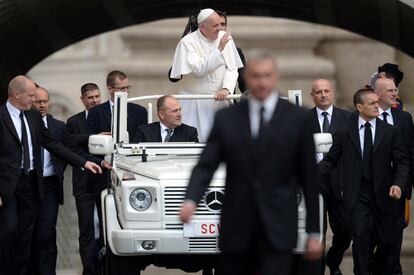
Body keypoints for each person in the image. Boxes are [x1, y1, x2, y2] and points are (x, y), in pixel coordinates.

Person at [180, 52, 322, 275]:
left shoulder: (298, 119)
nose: (262, 82)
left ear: (276, 77)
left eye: (267, 75)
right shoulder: (227, 118)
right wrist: (191, 199)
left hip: (278, 227)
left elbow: (310, 179)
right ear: (247, 77)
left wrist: (314, 232)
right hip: (236, 228)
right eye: (256, 76)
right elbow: (206, 164)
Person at [0, 76, 102, 275]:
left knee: (27, 236)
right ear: (16, 94)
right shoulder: (1, 117)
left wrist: (84, 162)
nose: (35, 101)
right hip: (7, 186)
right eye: (31, 96)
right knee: (9, 229)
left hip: (31, 183)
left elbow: (54, 145)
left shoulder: (33, 117)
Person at [319, 88, 408, 275]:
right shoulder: (345, 132)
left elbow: (402, 162)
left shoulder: (390, 132)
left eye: (377, 102)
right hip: (357, 196)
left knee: (387, 241)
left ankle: (374, 269)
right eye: (372, 103)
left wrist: (398, 184)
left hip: (385, 195)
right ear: (359, 107)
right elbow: (331, 161)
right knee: (360, 241)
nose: (378, 106)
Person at [170, 8, 244, 141]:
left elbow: (232, 68)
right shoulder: (187, 43)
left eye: (221, 25)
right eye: (215, 26)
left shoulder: (225, 38)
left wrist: (226, 88)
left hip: (220, 102)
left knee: (223, 143)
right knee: (193, 144)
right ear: (202, 27)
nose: (219, 29)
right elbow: (199, 70)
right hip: (194, 103)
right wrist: (219, 49)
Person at [309, 79, 351, 275]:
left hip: (340, 182)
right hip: (314, 183)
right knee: (317, 233)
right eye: (319, 92)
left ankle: (333, 261)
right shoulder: (303, 120)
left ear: (332, 93)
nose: (323, 94)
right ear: (312, 96)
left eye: (326, 91)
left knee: (344, 231)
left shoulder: (348, 118)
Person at [373, 77, 414, 275]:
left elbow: (410, 152)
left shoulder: (404, 118)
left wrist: (407, 184)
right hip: (371, 190)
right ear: (377, 94)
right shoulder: (364, 117)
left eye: (395, 89)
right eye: (389, 90)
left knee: (395, 239)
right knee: (372, 239)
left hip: (398, 189)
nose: (394, 93)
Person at [86, 70, 147, 194]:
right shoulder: (95, 113)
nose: (126, 91)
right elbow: (90, 142)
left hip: (132, 171)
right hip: (102, 173)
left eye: (127, 87)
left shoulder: (140, 111)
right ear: (110, 89)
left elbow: (143, 139)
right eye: (122, 88)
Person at [65, 83, 104, 275]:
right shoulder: (73, 121)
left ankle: (107, 269)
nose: (95, 100)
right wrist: (93, 136)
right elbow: (70, 145)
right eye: (90, 97)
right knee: (86, 231)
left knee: (107, 230)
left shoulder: (109, 118)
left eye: (97, 96)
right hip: (83, 182)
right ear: (83, 100)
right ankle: (89, 271)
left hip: (106, 183)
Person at [29, 86, 67, 275]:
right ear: (31, 102)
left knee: (46, 233)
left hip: (50, 186)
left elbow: (70, 150)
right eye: (38, 101)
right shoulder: (24, 125)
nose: (43, 105)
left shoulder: (59, 127)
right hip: (27, 185)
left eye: (45, 101)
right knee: (27, 233)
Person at [133, 95, 198, 142]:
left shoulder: (190, 133)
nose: (179, 114)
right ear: (162, 115)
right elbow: (134, 157)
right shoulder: (144, 132)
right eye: (175, 111)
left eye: (179, 110)